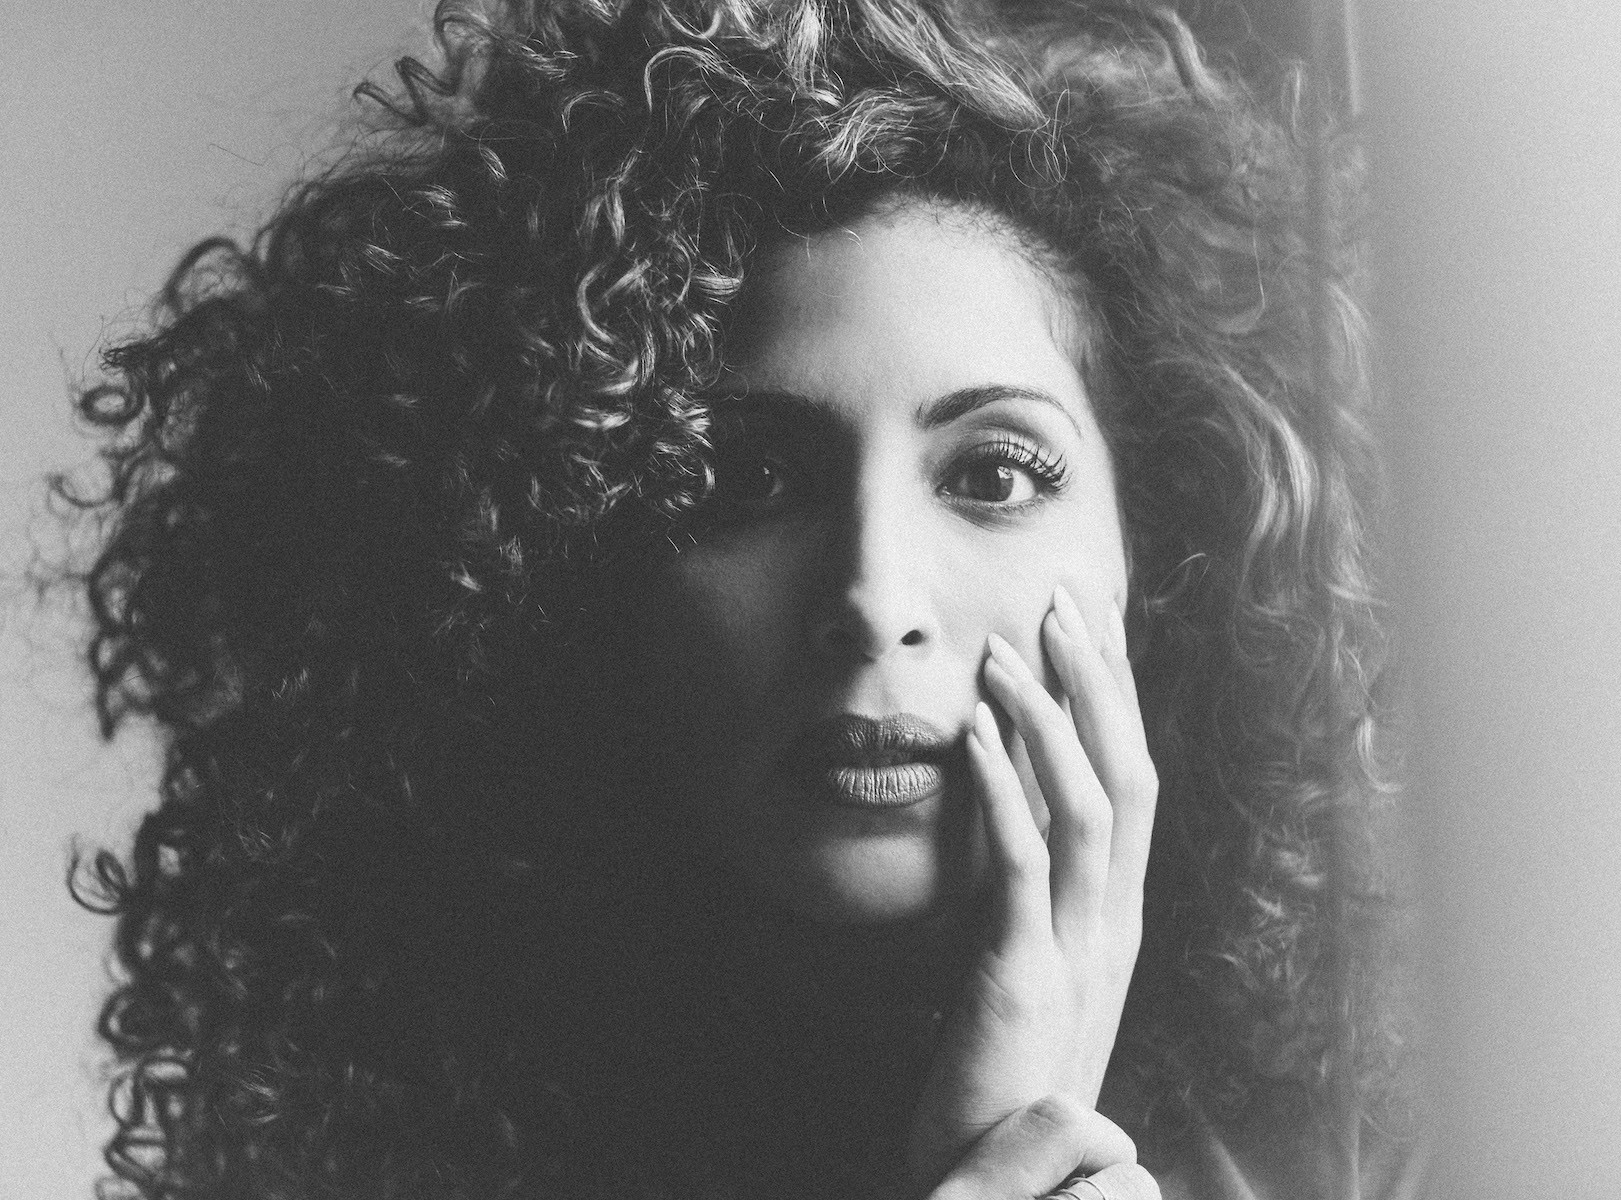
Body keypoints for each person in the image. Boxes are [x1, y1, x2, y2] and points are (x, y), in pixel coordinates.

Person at [65, 0, 1404, 1196]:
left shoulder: (1385, 1155)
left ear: (1164, 558)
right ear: (569, 566)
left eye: (994, 473)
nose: (873, 595)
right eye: (749, 478)